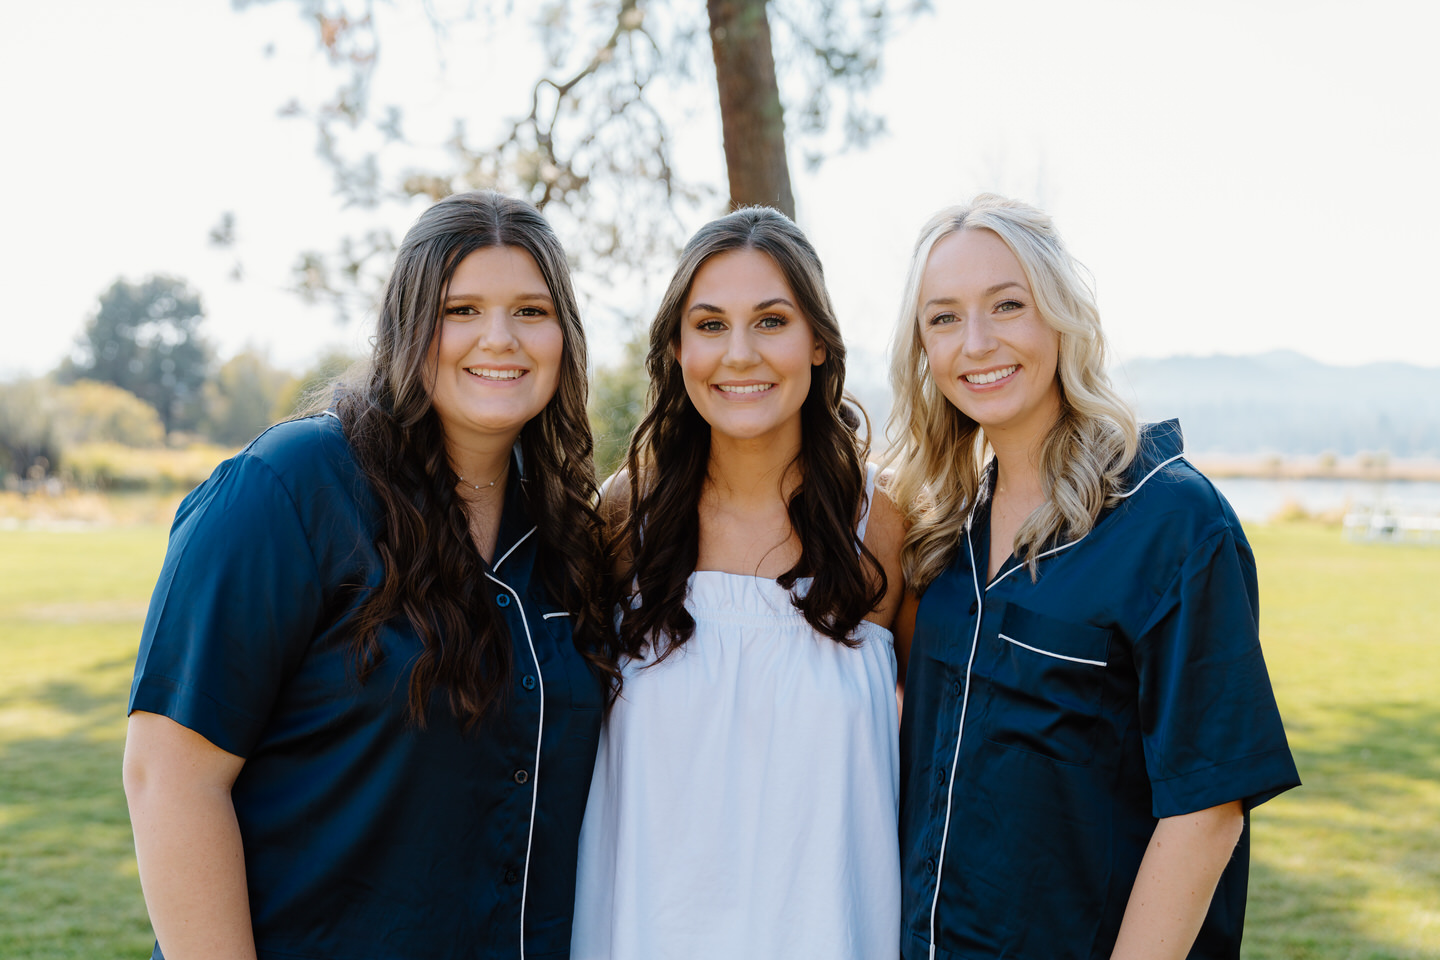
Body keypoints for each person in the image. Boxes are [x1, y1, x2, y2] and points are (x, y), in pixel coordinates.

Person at [122, 190, 617, 960]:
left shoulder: (566, 538)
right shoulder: (290, 489)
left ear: (564, 336)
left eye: (530, 310)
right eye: (461, 310)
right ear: (408, 326)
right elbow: (169, 778)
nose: (499, 338)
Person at [885, 195, 1300, 960]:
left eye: (1007, 305)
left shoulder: (1172, 520)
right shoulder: (945, 536)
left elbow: (1207, 809)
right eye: (943, 318)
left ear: (1061, 316)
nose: (976, 343)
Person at [570, 208, 905, 960]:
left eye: (772, 321)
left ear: (818, 341)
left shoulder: (882, 526)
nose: (741, 354)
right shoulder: (627, 516)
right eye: (711, 324)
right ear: (679, 347)